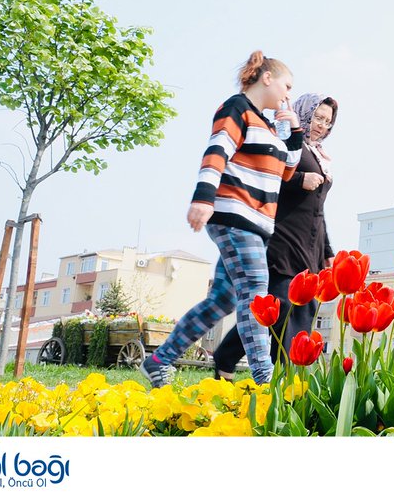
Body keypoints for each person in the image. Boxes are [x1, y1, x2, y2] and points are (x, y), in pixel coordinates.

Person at [140, 51, 302, 388]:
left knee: (223, 300)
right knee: (256, 295)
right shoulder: (237, 108)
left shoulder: (269, 125)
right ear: (267, 77)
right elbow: (217, 151)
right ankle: (264, 381)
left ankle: (159, 361)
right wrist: (203, 198)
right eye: (287, 86)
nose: (289, 94)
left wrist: (293, 129)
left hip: (256, 224)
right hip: (235, 216)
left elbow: (287, 170)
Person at [212, 93, 339, 380]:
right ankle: (249, 367)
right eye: (318, 117)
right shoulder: (287, 141)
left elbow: (318, 210)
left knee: (296, 308)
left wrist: (327, 250)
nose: (322, 125)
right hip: (282, 236)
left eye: (327, 122)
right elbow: (265, 173)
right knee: (281, 306)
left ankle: (271, 376)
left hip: (310, 244)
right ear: (304, 114)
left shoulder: (320, 156)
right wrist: (299, 179)